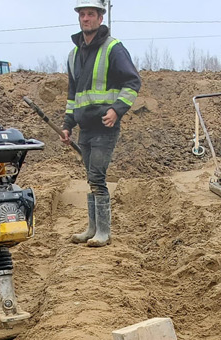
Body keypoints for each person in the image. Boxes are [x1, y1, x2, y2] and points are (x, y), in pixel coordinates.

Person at [60, 0, 141, 248]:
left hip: (105, 126)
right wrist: (67, 124)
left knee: (97, 176)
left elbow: (132, 83)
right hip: (85, 127)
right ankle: (93, 228)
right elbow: (73, 94)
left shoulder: (113, 49)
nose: (86, 18)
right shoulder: (74, 55)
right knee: (91, 177)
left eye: (91, 14)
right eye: (82, 14)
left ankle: (103, 232)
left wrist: (117, 110)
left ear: (100, 18)